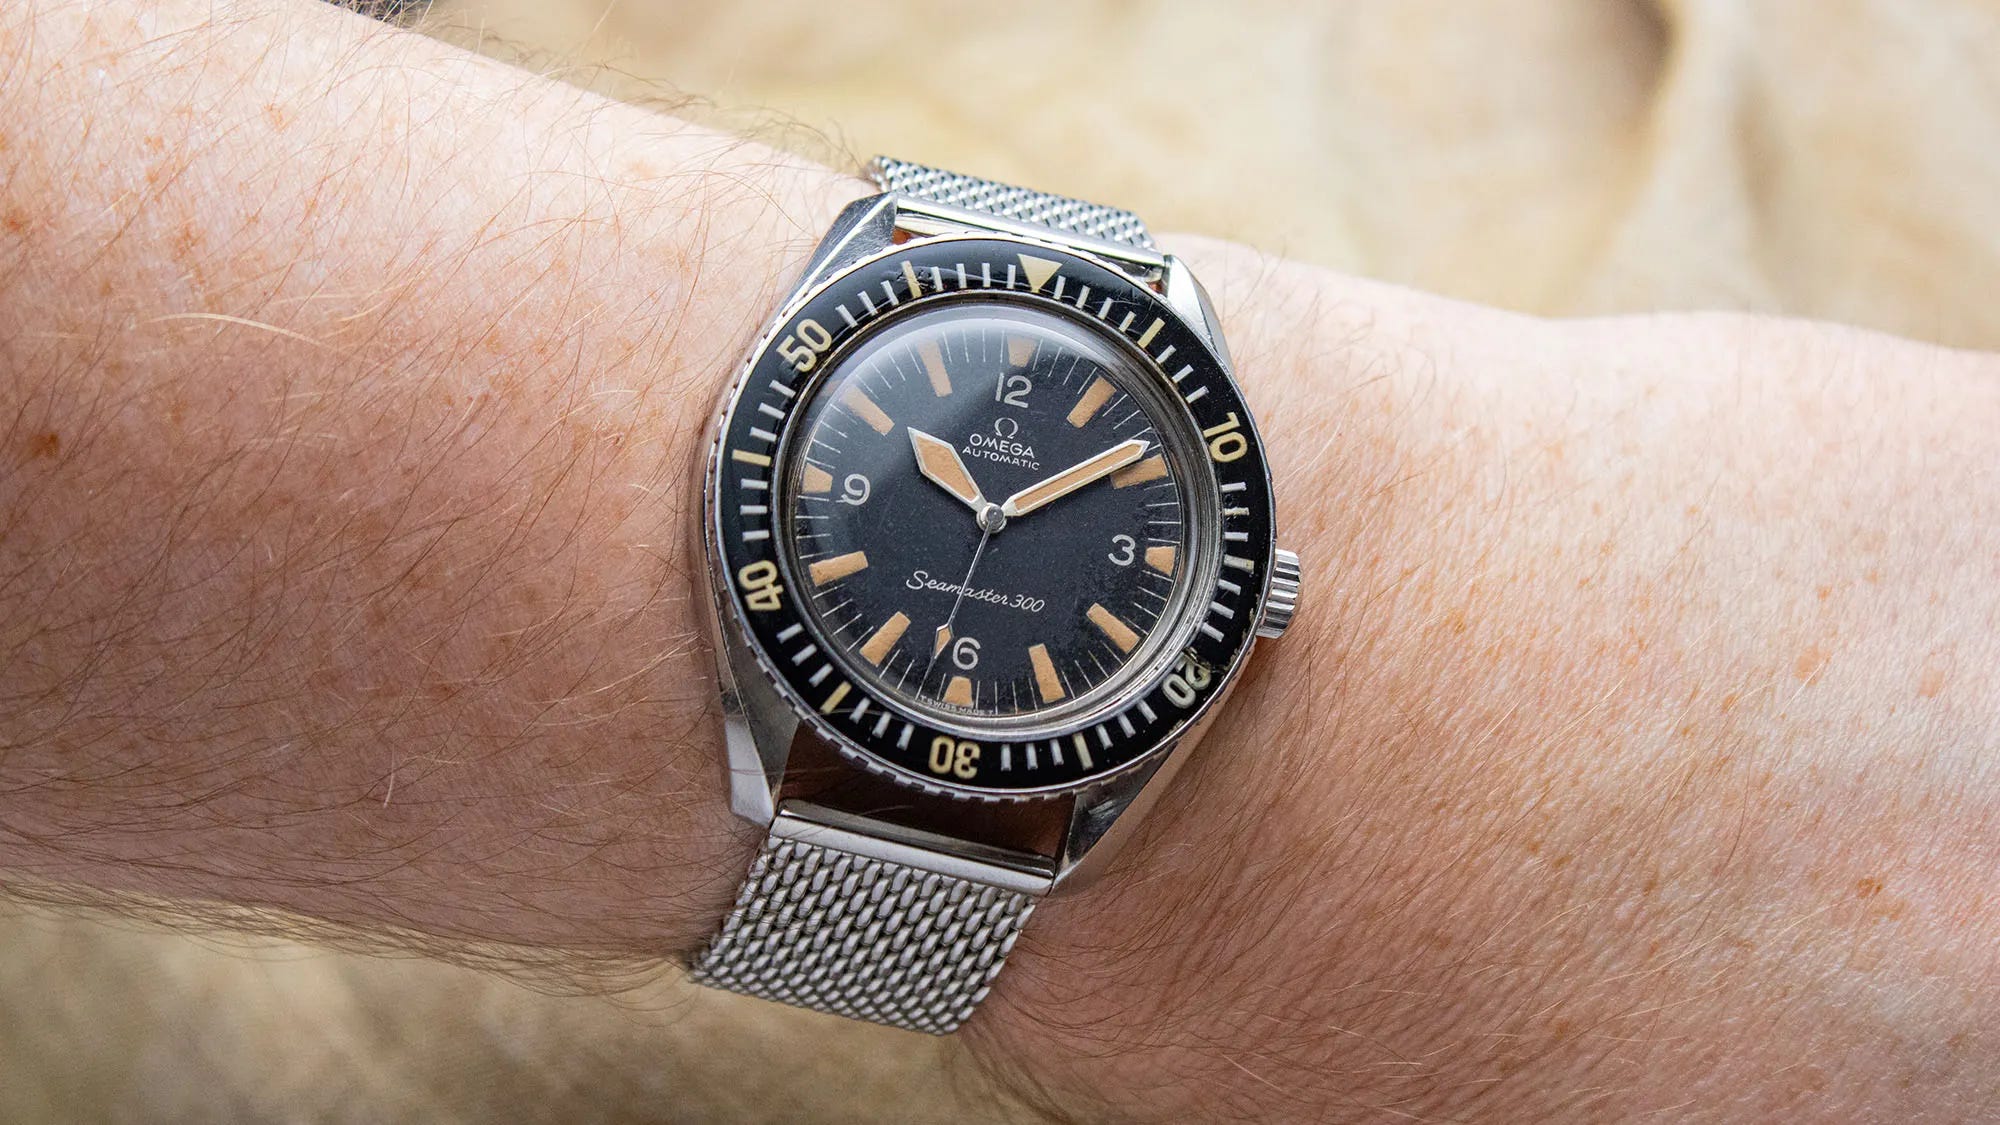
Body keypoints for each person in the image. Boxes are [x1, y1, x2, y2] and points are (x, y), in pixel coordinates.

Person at [1, 1, 1994, 1120]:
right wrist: (1355, 766)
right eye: (971, 490)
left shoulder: (1144, 537)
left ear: (1251, 599)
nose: (986, 511)